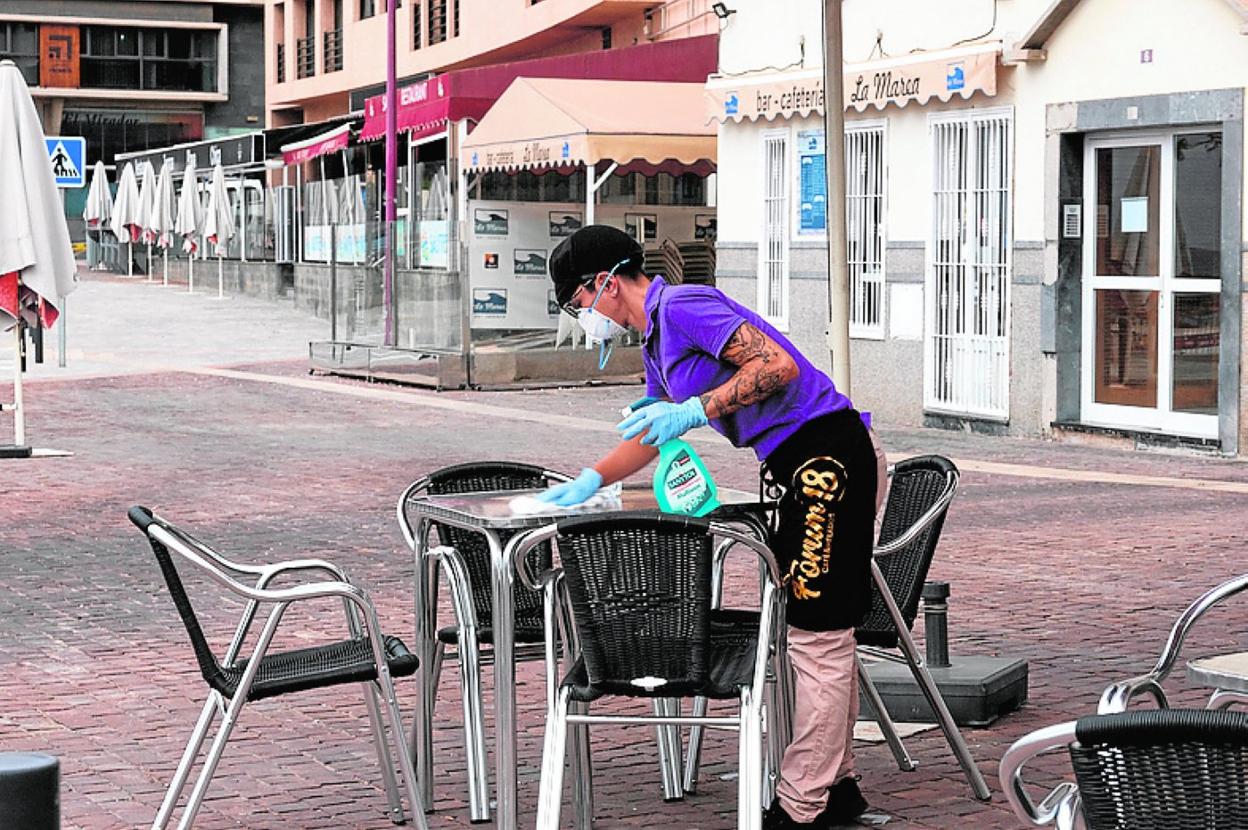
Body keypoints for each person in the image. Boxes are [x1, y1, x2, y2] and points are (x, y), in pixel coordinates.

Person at [536, 225, 888, 829]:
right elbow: (652, 434)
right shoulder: (655, 342)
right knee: (819, 633)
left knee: (818, 635)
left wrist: (696, 409)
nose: (584, 316)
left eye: (577, 301)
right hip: (794, 463)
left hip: (827, 455)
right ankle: (836, 786)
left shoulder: (683, 307)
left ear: (605, 283)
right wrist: (592, 477)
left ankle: (803, 805)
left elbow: (776, 365)